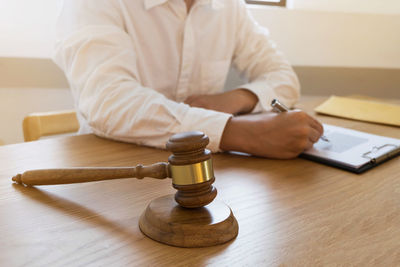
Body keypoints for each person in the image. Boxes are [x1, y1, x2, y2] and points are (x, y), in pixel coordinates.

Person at [54, 0, 324, 159]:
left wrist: (237, 99)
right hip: (112, 171)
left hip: (203, 173)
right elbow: (108, 102)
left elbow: (284, 78)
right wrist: (240, 133)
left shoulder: (229, 7)